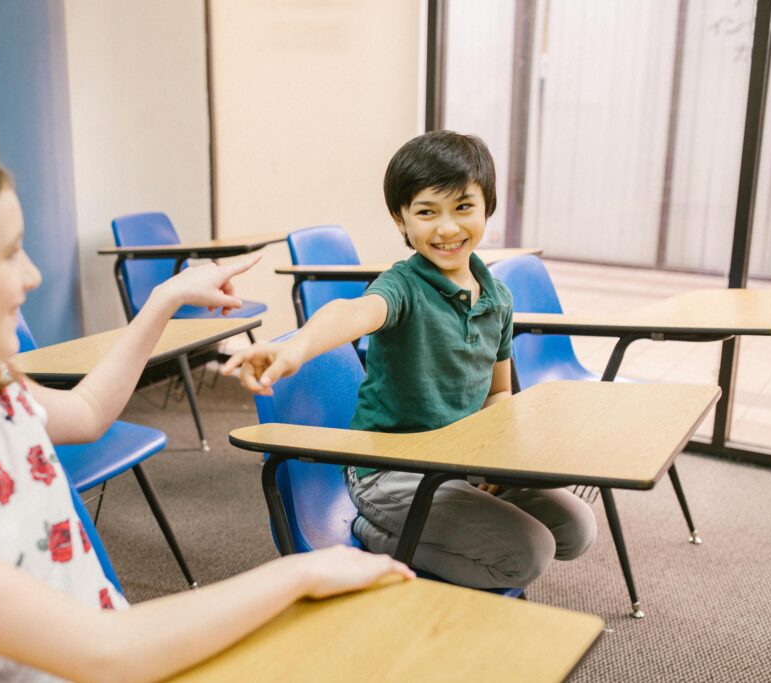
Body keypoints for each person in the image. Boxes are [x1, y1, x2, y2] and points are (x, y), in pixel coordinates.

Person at [0, 134, 413, 682]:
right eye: (9, 253)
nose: (33, 276)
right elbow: (106, 654)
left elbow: (88, 411)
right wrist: (300, 574)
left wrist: (164, 299)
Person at [223, 130, 596, 590]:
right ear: (401, 221)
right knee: (527, 555)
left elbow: (499, 393)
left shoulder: (497, 298)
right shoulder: (403, 286)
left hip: (458, 462)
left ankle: (450, 517)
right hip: (390, 472)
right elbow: (354, 312)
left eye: (463, 207)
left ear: (487, 208)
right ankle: (379, 535)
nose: (447, 228)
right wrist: (295, 346)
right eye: (426, 212)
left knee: (577, 528)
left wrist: (497, 464)